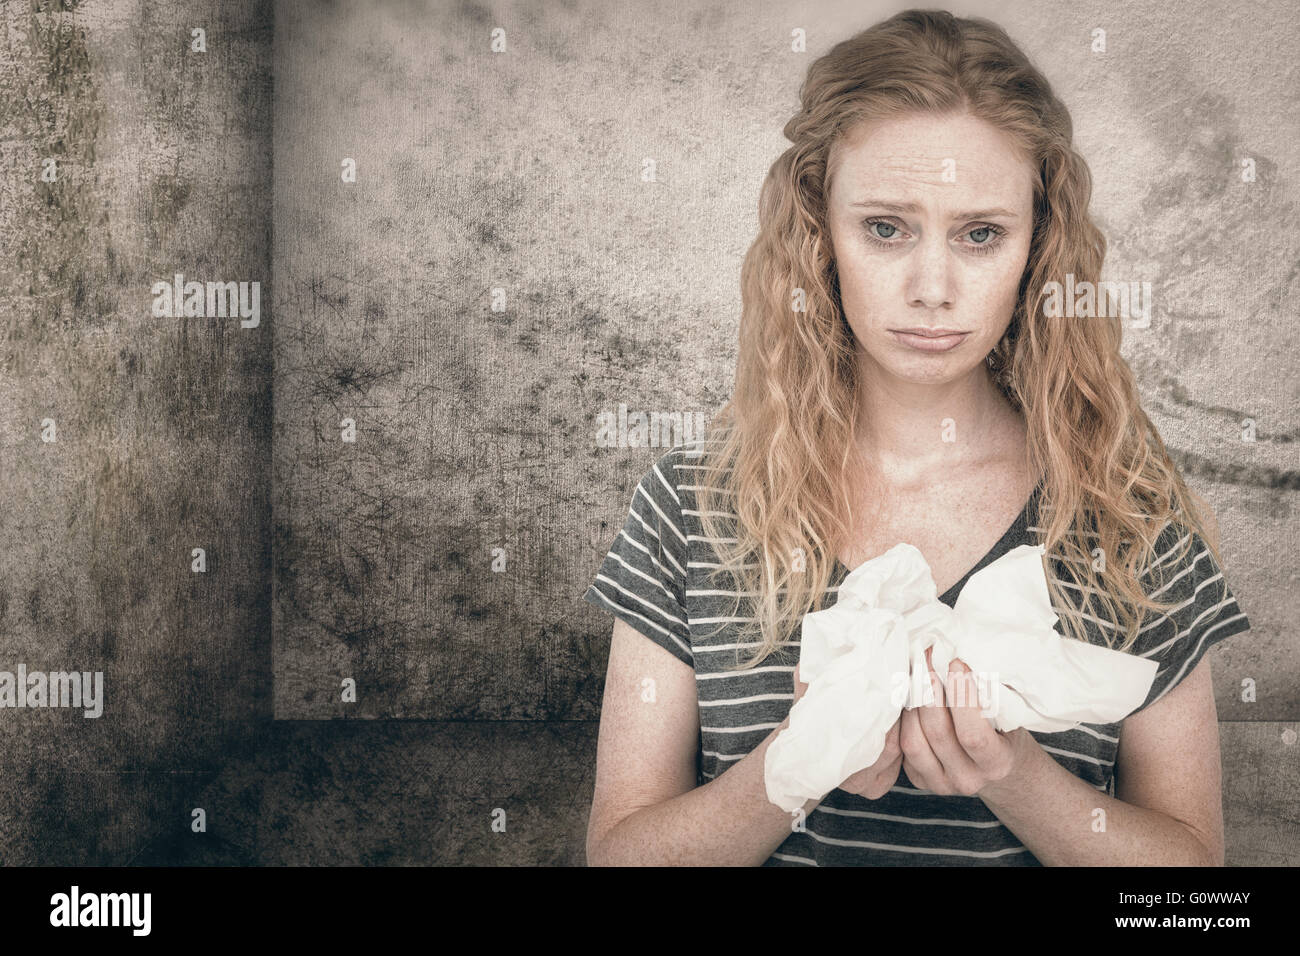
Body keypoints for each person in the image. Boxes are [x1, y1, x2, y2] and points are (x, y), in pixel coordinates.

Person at [581, 8, 1252, 866]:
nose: (932, 288)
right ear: (819, 233)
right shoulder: (690, 505)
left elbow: (1195, 904)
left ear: (1036, 248)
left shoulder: (1129, 513)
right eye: (886, 228)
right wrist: (790, 770)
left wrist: (1013, 774)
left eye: (980, 234)